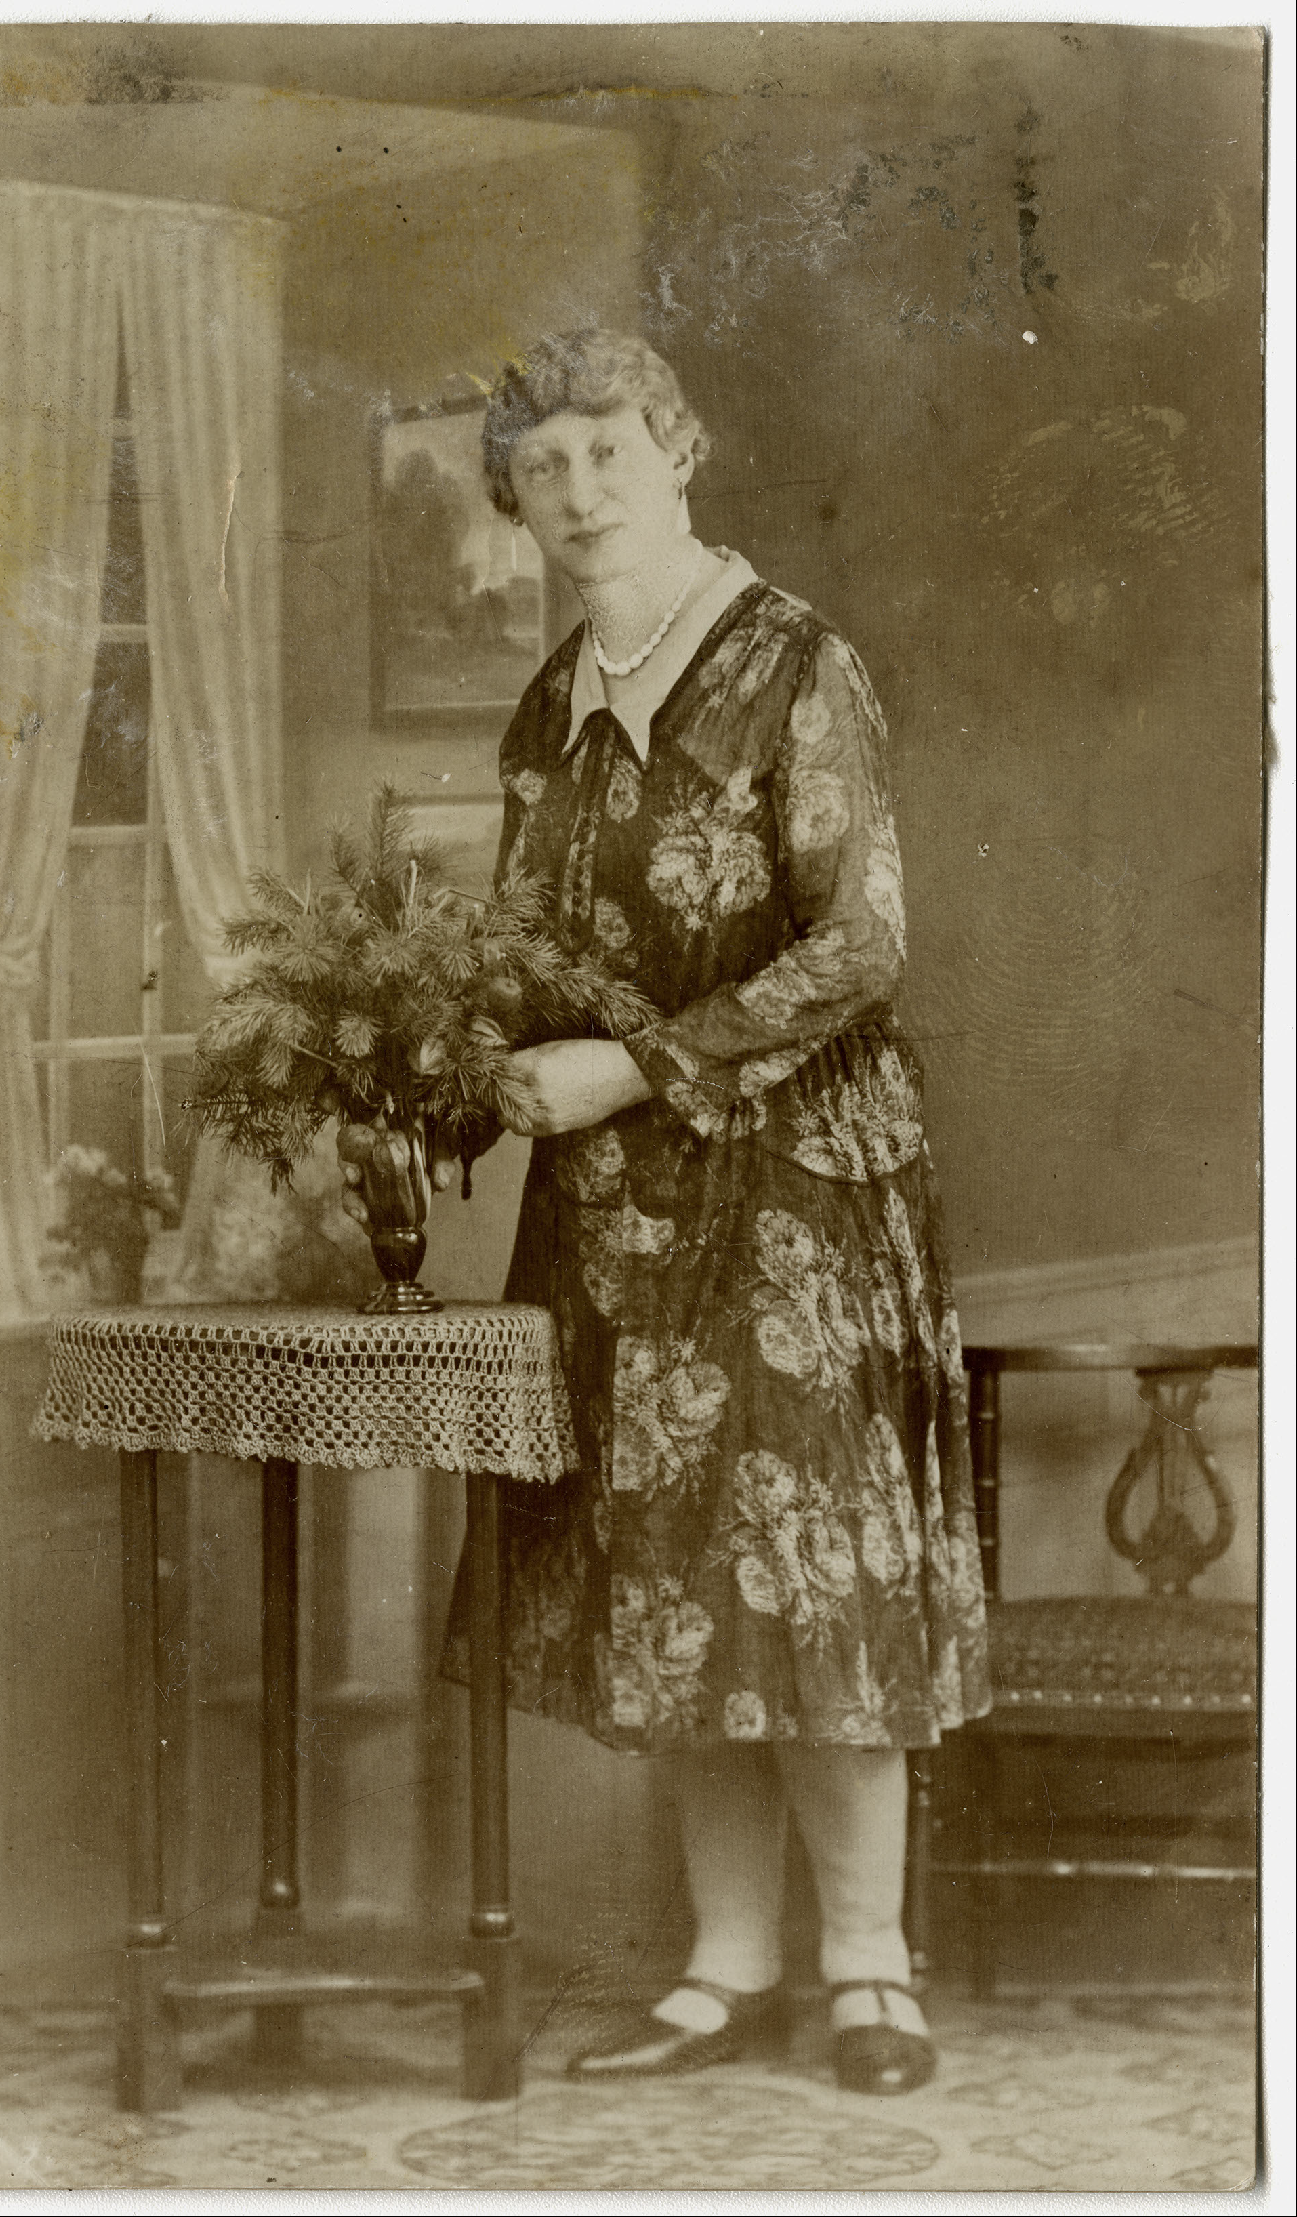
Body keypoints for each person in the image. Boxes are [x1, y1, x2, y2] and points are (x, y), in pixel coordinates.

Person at [343, 329, 990, 2095]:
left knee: (805, 1570)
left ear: (679, 450)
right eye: (538, 469)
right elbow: (533, 954)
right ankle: (727, 1965)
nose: (573, 493)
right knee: (675, 1584)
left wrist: (630, 1070)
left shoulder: (796, 666)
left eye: (605, 454)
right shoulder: (552, 702)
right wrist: (443, 1055)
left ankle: (869, 1969)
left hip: (794, 1190)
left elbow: (858, 946)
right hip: (613, 1208)